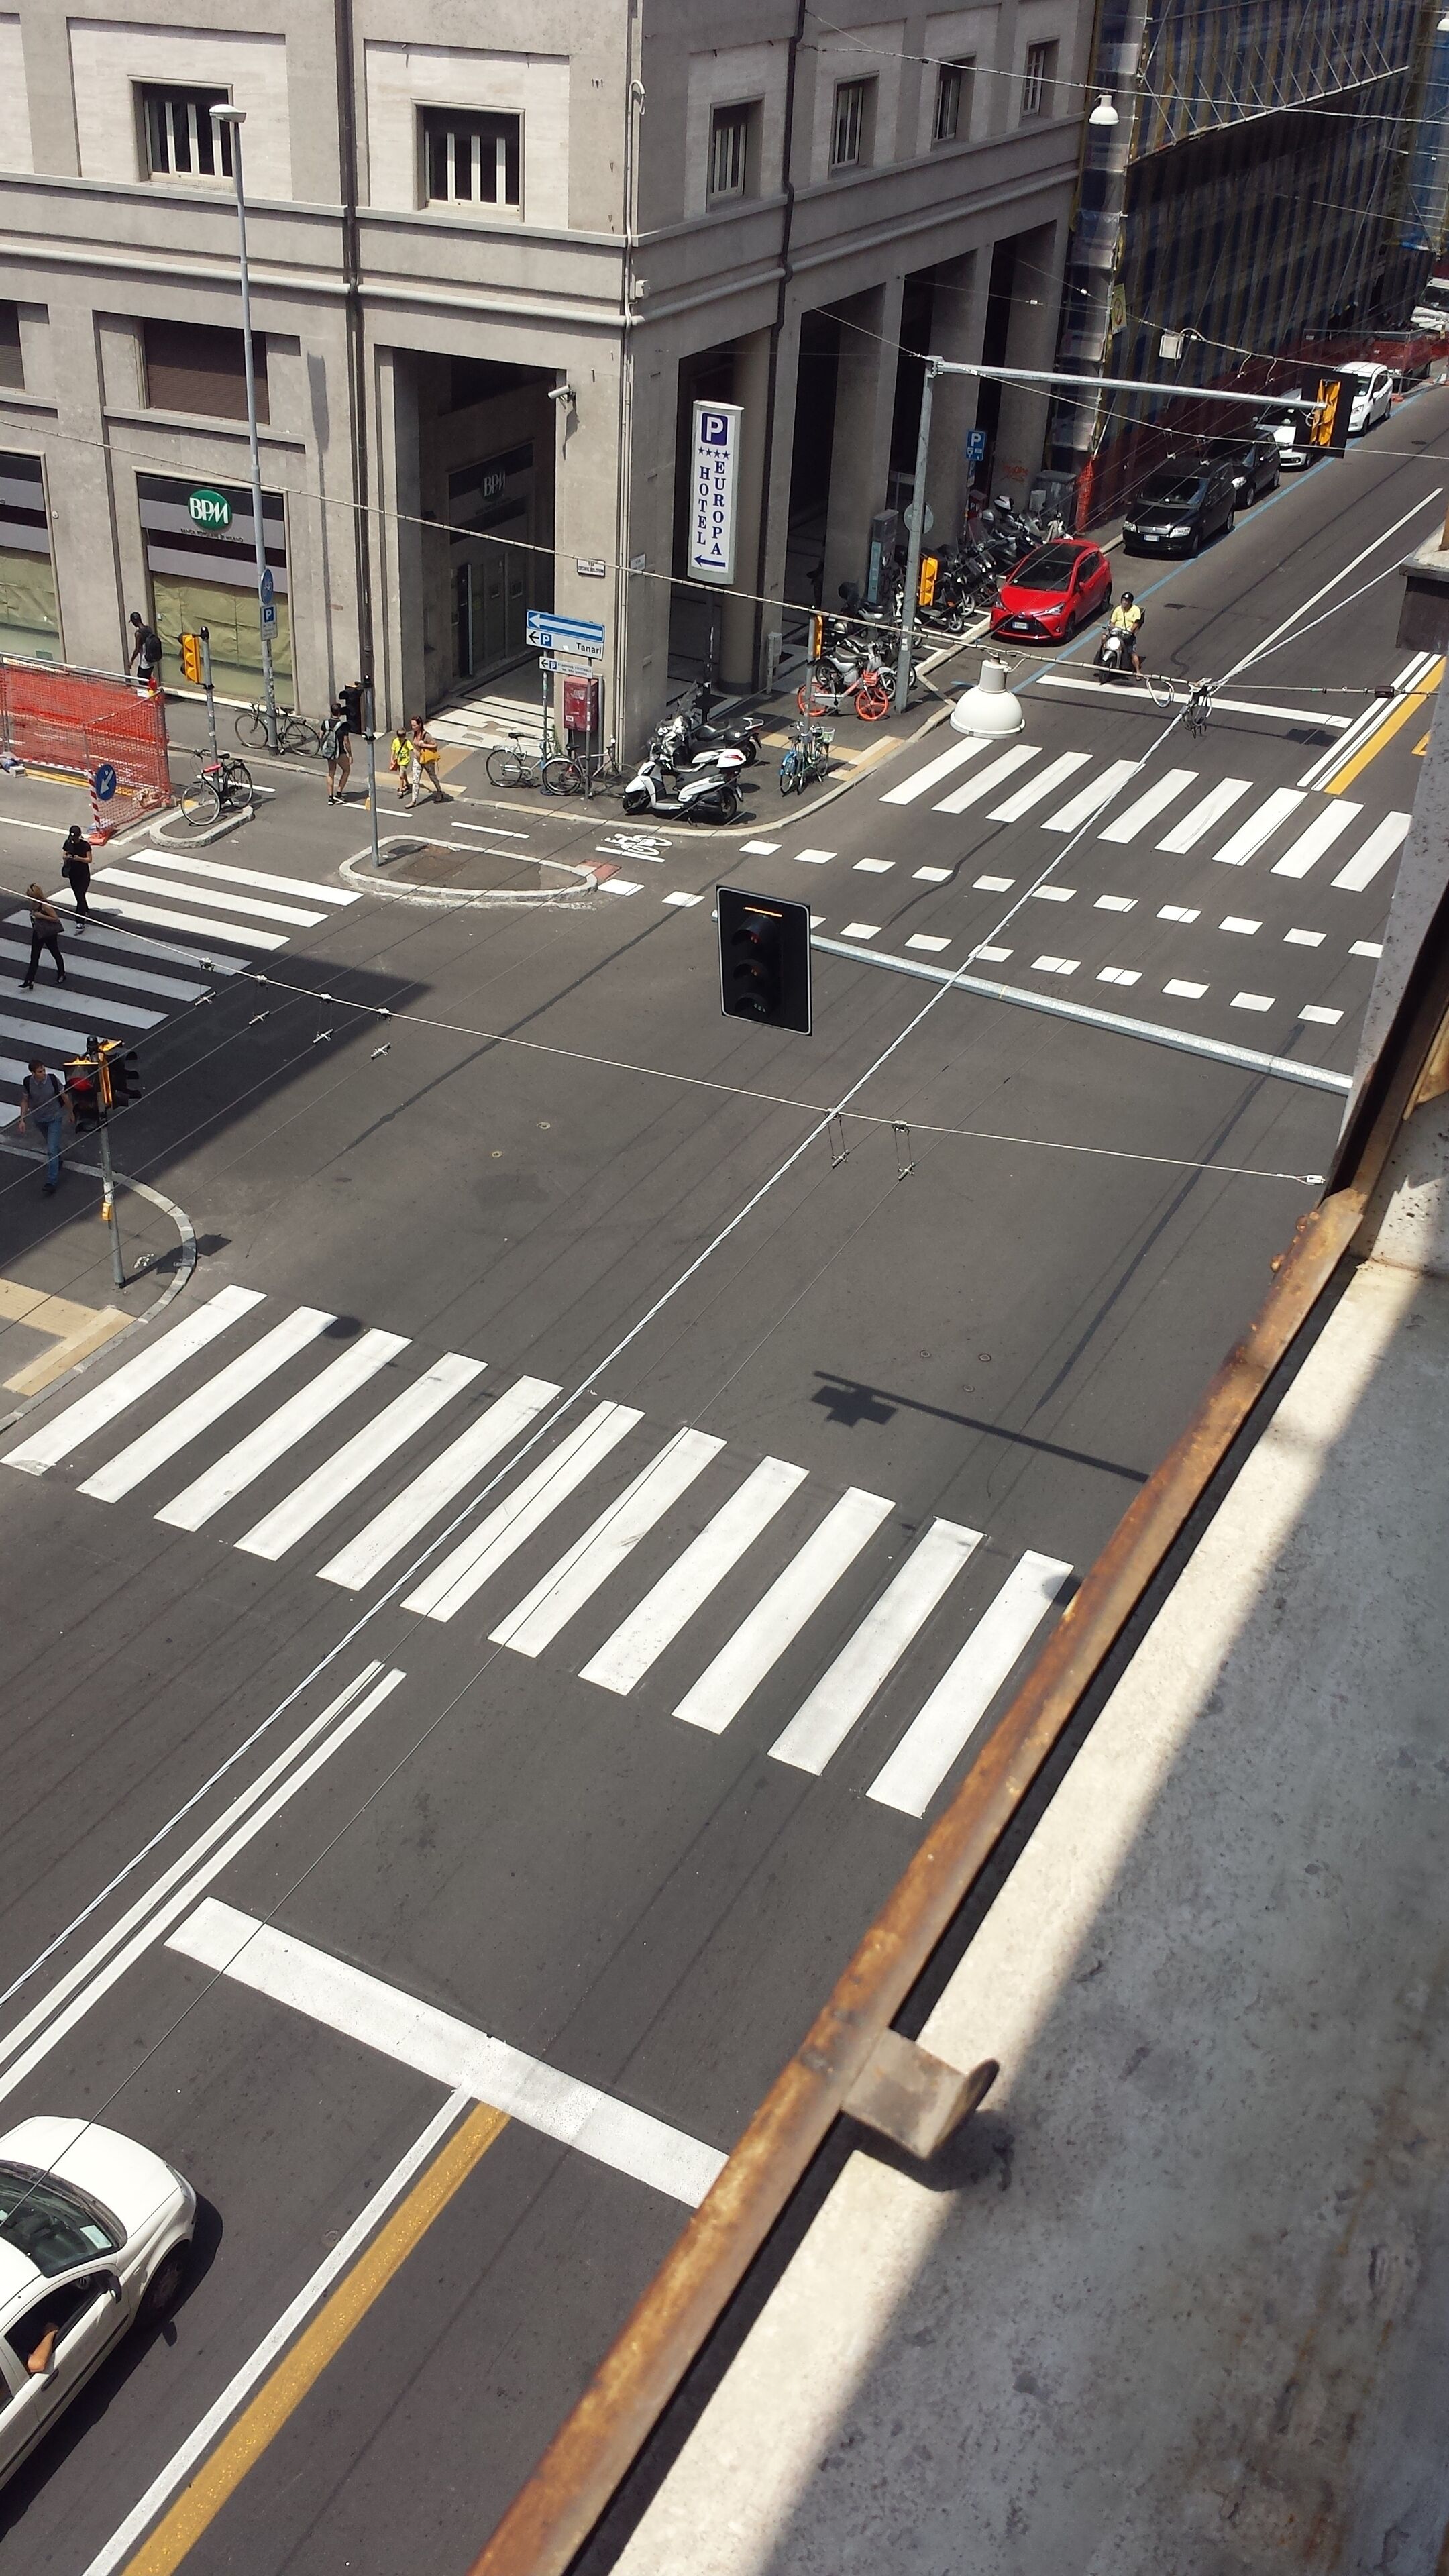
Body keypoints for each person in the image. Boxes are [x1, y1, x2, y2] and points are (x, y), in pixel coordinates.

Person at [18, 1055, 74, 1195]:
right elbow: (25, 1100)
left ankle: (51, 1182)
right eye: (40, 1072)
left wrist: (71, 1112)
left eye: (44, 1070)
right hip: (39, 1119)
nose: (44, 1074)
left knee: (51, 1149)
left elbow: (64, 1096)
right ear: (33, 1074)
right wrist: (22, 1119)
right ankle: (58, 1159)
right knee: (52, 1146)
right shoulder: (28, 1083)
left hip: (54, 1117)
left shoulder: (53, 1080)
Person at [21, 884, 64, 989]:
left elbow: (56, 919)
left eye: (29, 892)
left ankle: (61, 973)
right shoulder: (33, 903)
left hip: (48, 933)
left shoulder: (45, 905)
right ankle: (29, 980)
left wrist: (41, 916)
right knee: (34, 957)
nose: (27, 894)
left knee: (55, 952)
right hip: (38, 932)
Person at [407, 714, 445, 806]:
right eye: (412, 725)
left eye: (414, 725)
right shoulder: (415, 734)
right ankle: (414, 801)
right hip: (417, 759)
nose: (412, 727)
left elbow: (435, 745)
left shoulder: (426, 735)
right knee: (415, 780)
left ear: (420, 725)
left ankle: (439, 791)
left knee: (433, 777)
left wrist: (424, 745)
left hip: (427, 760)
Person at [321, 700, 352, 804]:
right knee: (346, 770)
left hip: (329, 753)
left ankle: (330, 797)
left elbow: (321, 737)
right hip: (340, 753)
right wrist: (350, 754)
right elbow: (346, 742)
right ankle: (339, 792)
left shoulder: (325, 724)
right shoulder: (343, 726)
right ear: (339, 713)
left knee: (331, 773)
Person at [61, 823, 92, 927]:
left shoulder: (85, 845)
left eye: (75, 837)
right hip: (73, 873)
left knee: (80, 895)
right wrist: (67, 857)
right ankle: (85, 910)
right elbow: (64, 854)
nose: (73, 839)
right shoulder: (68, 843)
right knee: (79, 896)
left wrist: (80, 859)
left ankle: (80, 920)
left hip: (83, 874)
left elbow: (89, 860)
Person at [1108, 590, 1144, 675]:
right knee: (1104, 638)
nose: (1124, 603)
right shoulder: (1118, 609)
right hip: (1116, 632)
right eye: (1123, 600)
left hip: (1127, 634)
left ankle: (1138, 671)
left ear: (1130, 602)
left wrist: (1130, 630)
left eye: (1127, 601)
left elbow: (1137, 622)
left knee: (1132, 652)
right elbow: (1112, 622)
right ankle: (1100, 657)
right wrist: (1111, 628)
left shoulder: (1135, 610)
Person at [126, 609, 164, 691]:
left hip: (144, 663)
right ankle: (152, 697)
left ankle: (147, 699)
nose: (132, 624)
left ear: (135, 621)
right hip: (151, 661)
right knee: (148, 680)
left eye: (132, 622)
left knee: (142, 682)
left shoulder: (138, 634)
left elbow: (137, 649)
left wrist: (131, 661)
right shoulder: (148, 629)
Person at [388, 727, 411, 801]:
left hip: (405, 761)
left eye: (403, 736)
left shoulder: (407, 742)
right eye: (400, 737)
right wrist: (392, 759)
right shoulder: (395, 741)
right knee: (403, 773)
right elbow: (393, 750)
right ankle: (407, 784)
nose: (402, 738)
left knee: (401, 776)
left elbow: (412, 749)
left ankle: (401, 791)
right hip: (398, 760)